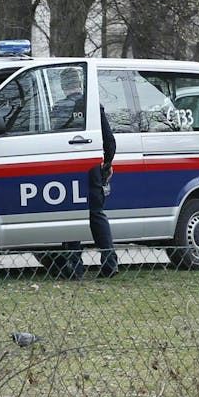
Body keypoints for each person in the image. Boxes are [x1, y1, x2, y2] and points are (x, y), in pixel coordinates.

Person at [55, 102, 118, 279]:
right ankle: (109, 263)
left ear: (63, 86)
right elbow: (110, 141)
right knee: (97, 213)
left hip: (69, 168)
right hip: (92, 169)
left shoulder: (60, 107)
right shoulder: (94, 106)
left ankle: (74, 266)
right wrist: (106, 164)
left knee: (71, 213)